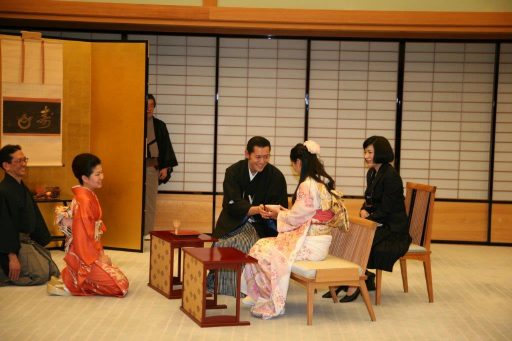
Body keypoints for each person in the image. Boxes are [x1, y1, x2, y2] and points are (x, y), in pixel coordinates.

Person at [242, 141, 340, 319]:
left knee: (262, 251)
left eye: (294, 164)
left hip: (310, 243)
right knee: (262, 244)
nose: (294, 168)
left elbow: (296, 218)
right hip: (318, 240)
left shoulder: (307, 185)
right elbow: (304, 215)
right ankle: (260, 294)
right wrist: (282, 212)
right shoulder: (322, 181)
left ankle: (269, 298)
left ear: (299, 162)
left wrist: (277, 214)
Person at [207, 136, 288, 297]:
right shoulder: (234, 172)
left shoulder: (276, 176)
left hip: (261, 226)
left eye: (266, 156)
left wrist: (271, 213)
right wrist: (255, 209)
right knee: (222, 243)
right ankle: (216, 281)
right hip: (233, 220)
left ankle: (241, 287)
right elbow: (231, 204)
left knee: (242, 242)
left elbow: (282, 209)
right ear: (247, 154)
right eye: (258, 157)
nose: (262, 161)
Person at [337, 135, 411, 303]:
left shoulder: (391, 176)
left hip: (393, 230)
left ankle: (354, 283)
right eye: (365, 152)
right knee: (346, 234)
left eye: (370, 152)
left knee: (360, 240)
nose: (366, 156)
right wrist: (364, 210)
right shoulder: (372, 173)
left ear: (381, 153)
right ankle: (353, 277)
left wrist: (369, 216)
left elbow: (387, 209)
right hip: (379, 223)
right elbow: (369, 200)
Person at [49, 153, 129, 296]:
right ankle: (72, 283)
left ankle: (71, 276)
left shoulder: (88, 195)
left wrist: (101, 254)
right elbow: (82, 238)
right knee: (120, 287)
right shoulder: (84, 200)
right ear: (85, 178)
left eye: (102, 172)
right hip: (83, 255)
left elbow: (93, 234)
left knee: (120, 277)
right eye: (97, 174)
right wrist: (97, 259)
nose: (102, 177)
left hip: (90, 249)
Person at [0, 144, 60, 286]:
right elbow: (4, 227)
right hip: (13, 243)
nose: (23, 164)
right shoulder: (3, 191)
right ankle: (4, 274)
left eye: (24, 160)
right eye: (18, 161)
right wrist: (12, 257)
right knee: (40, 275)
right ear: (6, 166)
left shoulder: (20, 186)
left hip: (26, 240)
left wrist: (40, 241)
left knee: (53, 271)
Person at [144, 94, 178, 240]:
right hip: (134, 169)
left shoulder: (160, 125)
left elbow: (165, 148)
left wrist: (165, 167)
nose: (149, 108)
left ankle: (147, 232)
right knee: (133, 201)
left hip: (151, 167)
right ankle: (132, 232)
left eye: (151, 105)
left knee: (150, 201)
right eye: (146, 105)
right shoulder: (132, 123)